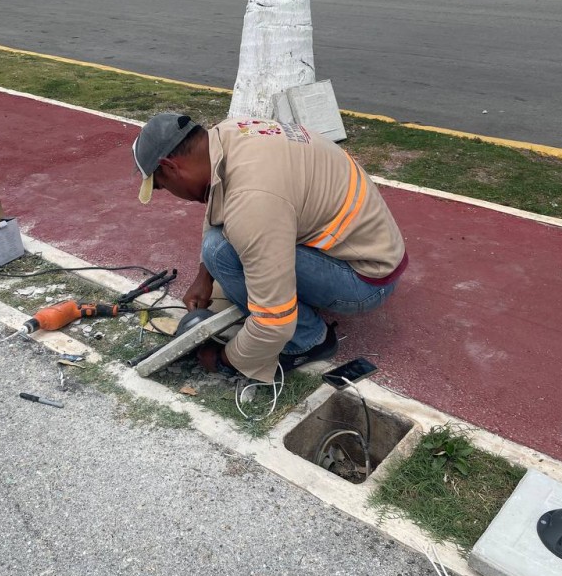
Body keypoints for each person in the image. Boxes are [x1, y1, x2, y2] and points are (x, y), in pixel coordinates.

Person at [132, 113, 408, 385]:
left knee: (220, 251)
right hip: (373, 248)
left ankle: (310, 339)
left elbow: (274, 322)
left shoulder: (253, 202)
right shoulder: (229, 134)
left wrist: (225, 359)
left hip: (364, 280)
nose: (170, 193)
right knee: (219, 246)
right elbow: (221, 197)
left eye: (162, 186)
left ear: (170, 167)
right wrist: (204, 276)